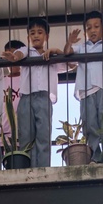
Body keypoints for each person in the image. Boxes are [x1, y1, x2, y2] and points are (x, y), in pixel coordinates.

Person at [17, 18, 77, 167]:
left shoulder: (52, 56)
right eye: (32, 33)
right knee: (26, 135)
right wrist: (13, 57)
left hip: (44, 97)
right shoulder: (26, 51)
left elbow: (71, 65)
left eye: (40, 32)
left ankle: (42, 167)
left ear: (46, 37)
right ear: (28, 37)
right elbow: (18, 54)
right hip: (26, 97)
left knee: (43, 135)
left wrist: (57, 52)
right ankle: (27, 168)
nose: (36, 36)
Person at [66, 11, 103, 161]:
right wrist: (69, 42)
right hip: (86, 90)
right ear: (85, 32)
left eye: (96, 26)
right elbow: (67, 53)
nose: (92, 30)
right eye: (89, 28)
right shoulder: (81, 47)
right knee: (90, 126)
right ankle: (95, 159)